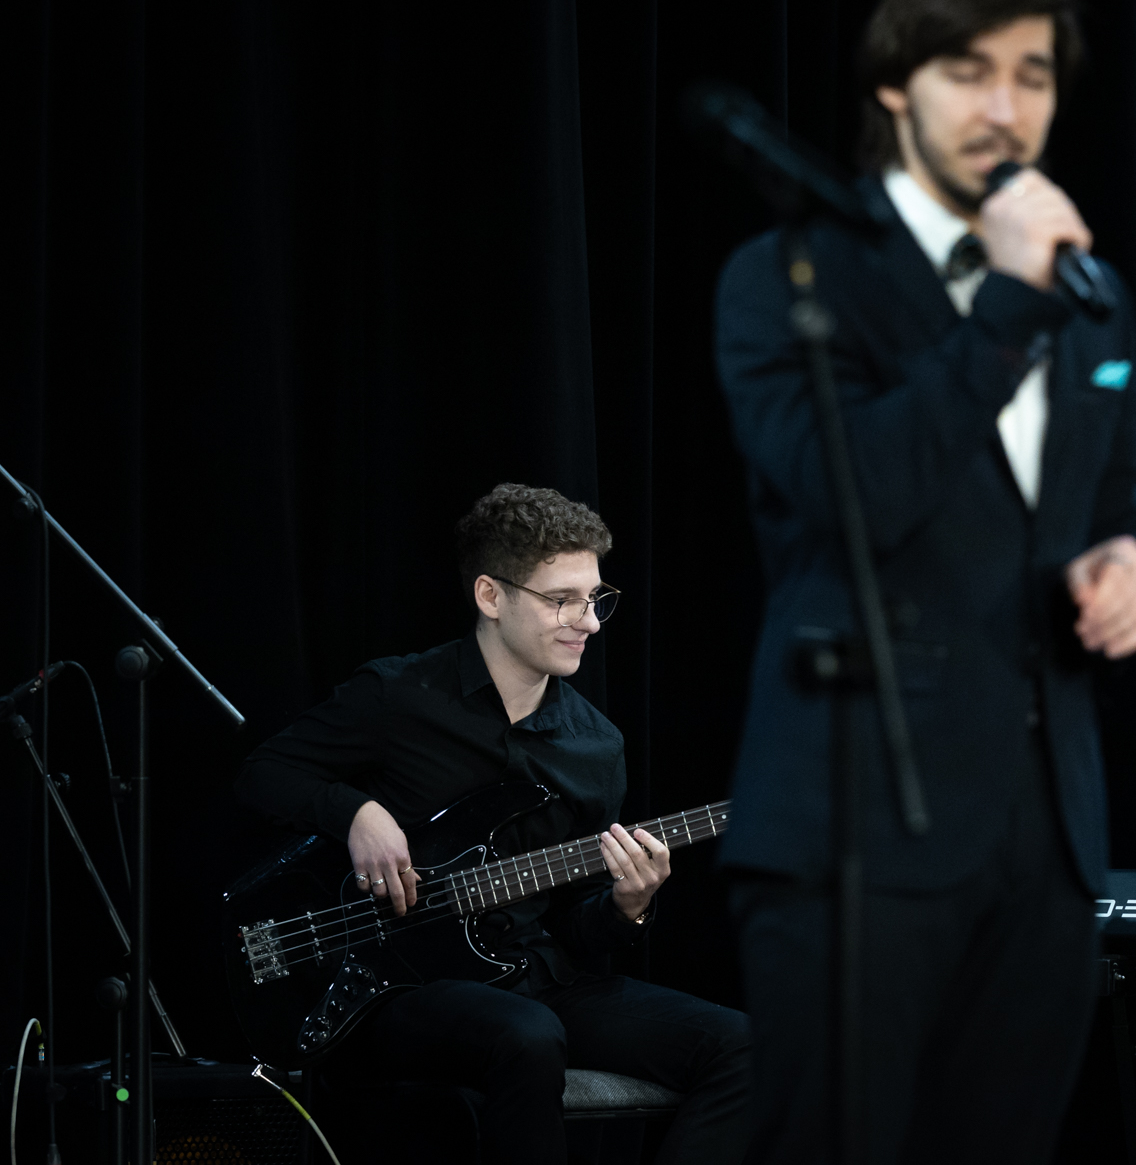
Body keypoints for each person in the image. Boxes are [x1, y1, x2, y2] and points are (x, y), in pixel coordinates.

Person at [712, 0, 1136, 1164]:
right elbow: (854, 493)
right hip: (854, 818)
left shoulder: (1096, 298)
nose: (1006, 107)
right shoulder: (795, 270)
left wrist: (1128, 562)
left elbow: (1111, 495)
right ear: (892, 85)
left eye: (1033, 74)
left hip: (1048, 829)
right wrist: (1006, 302)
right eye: (968, 70)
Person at [234, 483, 751, 1165]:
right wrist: (358, 812)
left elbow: (574, 925)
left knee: (745, 1049)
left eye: (596, 598)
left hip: (533, 978)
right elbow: (262, 773)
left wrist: (627, 907)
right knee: (525, 1034)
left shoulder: (596, 747)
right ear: (490, 596)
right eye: (562, 599)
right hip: (391, 985)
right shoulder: (399, 696)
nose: (590, 622)